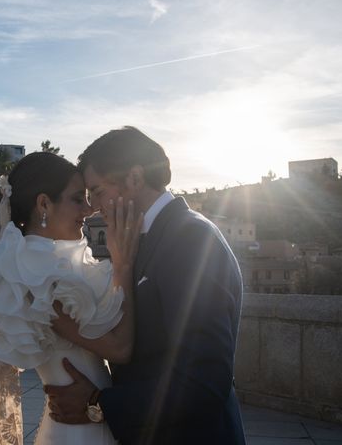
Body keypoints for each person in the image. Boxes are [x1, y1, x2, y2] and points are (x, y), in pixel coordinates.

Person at [46, 127, 246, 444]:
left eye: (97, 191)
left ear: (135, 179)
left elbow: (205, 381)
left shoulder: (190, 238)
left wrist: (98, 404)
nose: (94, 207)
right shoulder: (142, 241)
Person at [0, 152, 142, 445]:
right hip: (82, 433)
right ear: (44, 203)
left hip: (78, 425)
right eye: (77, 199)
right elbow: (119, 349)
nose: (88, 209)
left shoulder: (34, 265)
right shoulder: (40, 277)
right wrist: (123, 265)